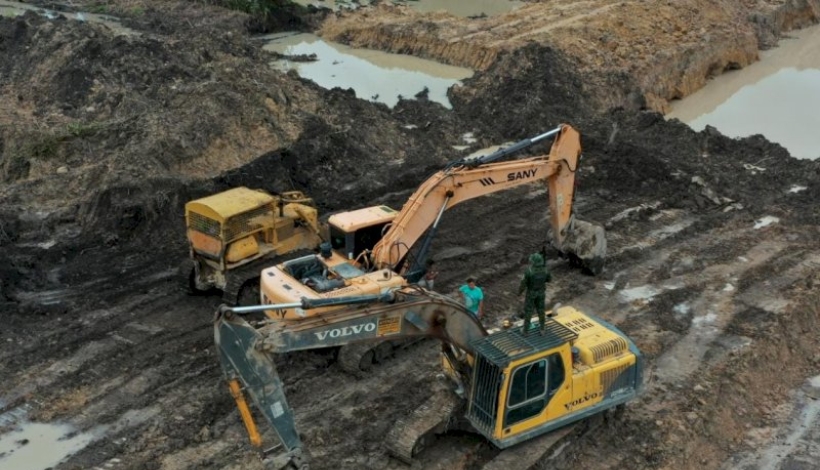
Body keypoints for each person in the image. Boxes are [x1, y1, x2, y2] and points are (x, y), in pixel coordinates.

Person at [518, 252, 551, 335]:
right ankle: (542, 329)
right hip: (541, 293)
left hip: (531, 294)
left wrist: (519, 292)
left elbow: (523, 284)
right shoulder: (545, 270)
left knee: (529, 311)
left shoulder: (529, 271)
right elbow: (549, 279)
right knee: (541, 310)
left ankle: (525, 330)